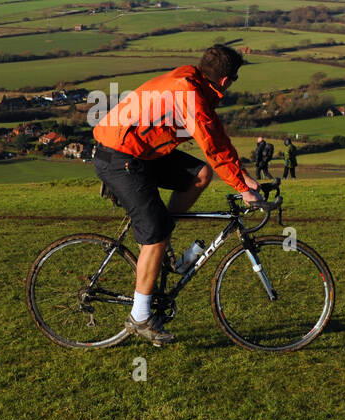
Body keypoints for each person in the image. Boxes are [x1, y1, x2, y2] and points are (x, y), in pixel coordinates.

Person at [93, 45, 261, 345]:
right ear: (225, 81)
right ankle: (141, 316)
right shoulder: (191, 95)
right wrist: (240, 188)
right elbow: (211, 144)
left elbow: (217, 134)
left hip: (139, 153)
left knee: (200, 174)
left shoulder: (192, 81)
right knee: (155, 236)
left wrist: (244, 175)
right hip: (121, 157)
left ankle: (162, 245)